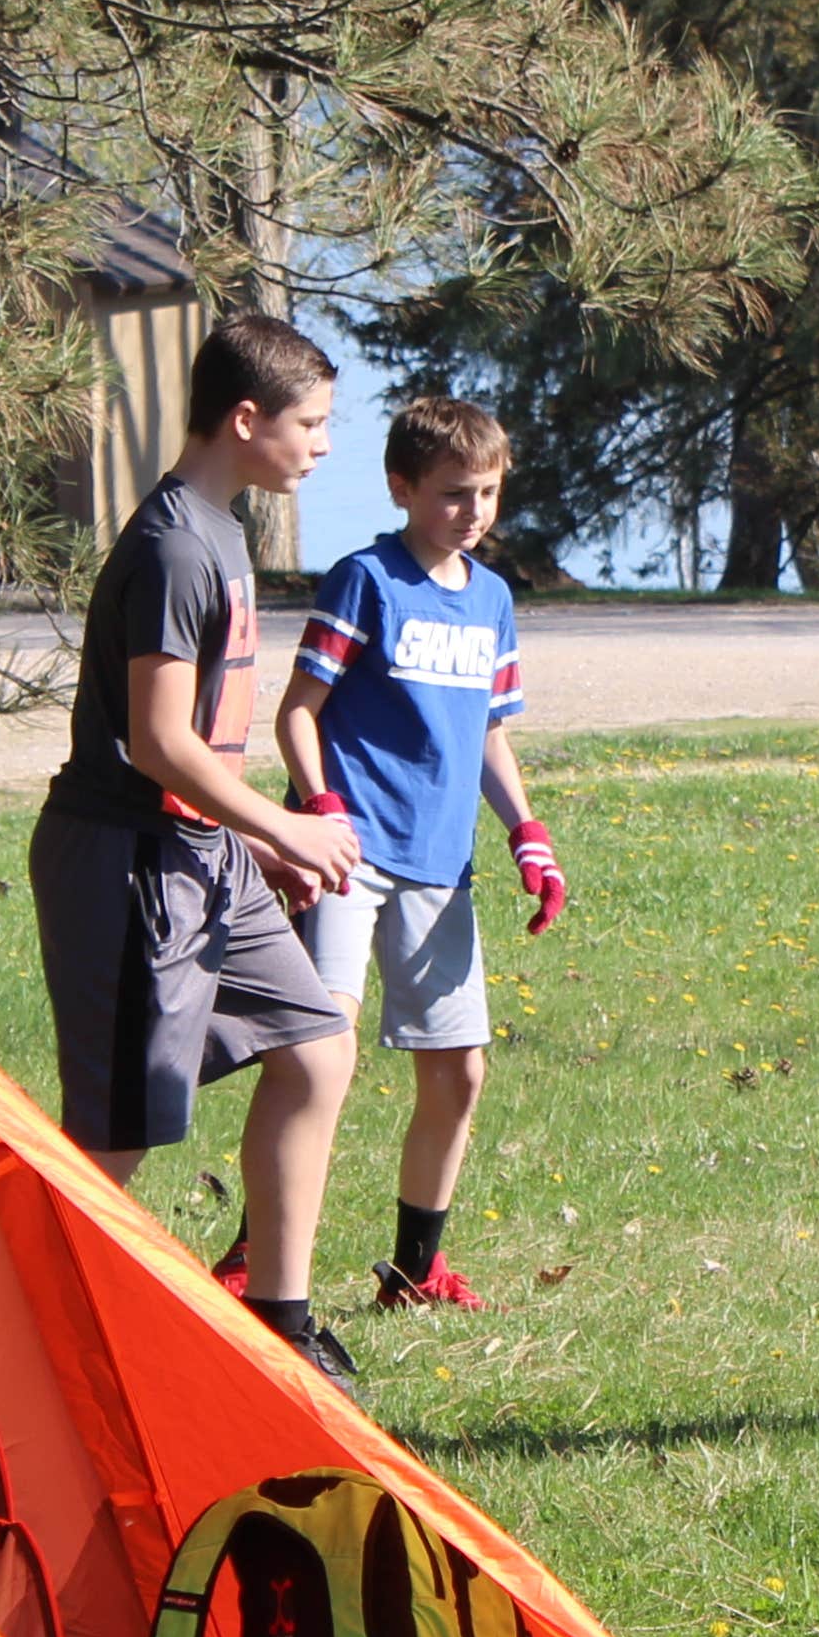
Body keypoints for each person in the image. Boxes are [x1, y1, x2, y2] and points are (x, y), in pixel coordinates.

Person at [32, 309, 368, 1390]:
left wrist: (247, 836)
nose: (322, 444)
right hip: (130, 865)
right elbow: (159, 738)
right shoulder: (179, 543)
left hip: (203, 853)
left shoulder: (225, 527)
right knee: (117, 1138)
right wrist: (282, 826)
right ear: (244, 417)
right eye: (309, 423)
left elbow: (199, 742)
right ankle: (13, 1320)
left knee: (317, 1048)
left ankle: (282, 1318)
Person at [272, 394, 567, 1330]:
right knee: (322, 1056)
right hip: (348, 853)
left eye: (485, 494)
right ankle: (260, 1256)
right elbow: (296, 711)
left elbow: (487, 731)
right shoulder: (365, 581)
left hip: (440, 867)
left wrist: (527, 831)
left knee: (459, 1074)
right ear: (401, 488)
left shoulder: (491, 600)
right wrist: (318, 809)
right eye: (449, 495)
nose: (470, 512)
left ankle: (415, 1269)